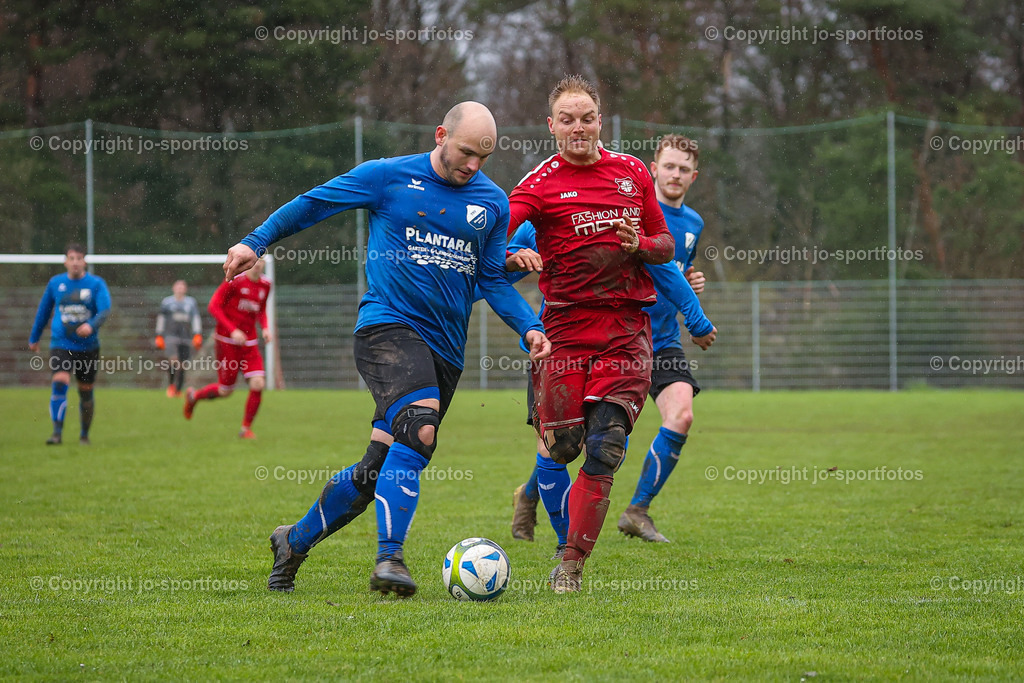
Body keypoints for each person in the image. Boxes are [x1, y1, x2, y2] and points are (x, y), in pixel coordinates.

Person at [219, 101, 550, 598]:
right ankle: (389, 559)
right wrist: (256, 242)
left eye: (484, 157)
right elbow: (314, 203)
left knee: (377, 468)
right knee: (420, 429)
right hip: (386, 331)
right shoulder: (387, 177)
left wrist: (528, 326)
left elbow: (491, 280)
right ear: (441, 134)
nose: (473, 166)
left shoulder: (493, 202)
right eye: (465, 152)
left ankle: (293, 541)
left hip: (445, 351)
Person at [505, 75, 716, 593]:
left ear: (600, 120)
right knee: (562, 447)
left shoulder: (630, 172)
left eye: (588, 117)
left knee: (605, 449)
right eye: (568, 119)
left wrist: (641, 244)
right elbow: (494, 247)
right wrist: (512, 256)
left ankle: (570, 564)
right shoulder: (537, 184)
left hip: (627, 331)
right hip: (564, 332)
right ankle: (539, 506)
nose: (579, 127)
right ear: (551, 126)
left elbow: (665, 247)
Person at [506, 214, 714, 555]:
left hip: (628, 342)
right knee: (556, 446)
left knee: (606, 444)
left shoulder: (642, 213)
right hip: (558, 344)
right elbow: (498, 269)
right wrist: (528, 320)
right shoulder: (548, 202)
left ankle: (589, 540)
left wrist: (696, 315)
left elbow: (666, 269)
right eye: (669, 166)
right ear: (655, 169)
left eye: (683, 169)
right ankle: (543, 512)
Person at [28, 243, 112, 445]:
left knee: (85, 391)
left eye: (79, 258)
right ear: (65, 261)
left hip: (88, 346)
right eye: (71, 258)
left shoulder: (96, 284)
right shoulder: (56, 283)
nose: (75, 262)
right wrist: (34, 336)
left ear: (85, 261)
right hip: (61, 343)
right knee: (60, 382)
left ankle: (84, 435)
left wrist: (91, 325)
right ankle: (56, 434)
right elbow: (44, 310)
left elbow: (105, 309)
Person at [183, 259, 271, 439]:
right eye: (255, 260)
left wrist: (266, 328)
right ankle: (194, 396)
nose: (258, 264)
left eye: (261, 260)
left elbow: (261, 310)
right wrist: (233, 330)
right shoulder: (235, 281)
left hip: (250, 343)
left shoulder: (265, 285)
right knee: (225, 391)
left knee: (258, 383)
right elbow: (213, 306)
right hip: (226, 343)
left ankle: (245, 429)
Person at [155, 279, 203, 397]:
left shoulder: (191, 303)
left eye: (182, 287)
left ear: (185, 289)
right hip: (171, 337)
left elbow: (196, 318)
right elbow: (161, 319)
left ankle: (178, 389)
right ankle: (171, 386)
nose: (180, 289)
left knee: (182, 365)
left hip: (185, 338)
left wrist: (197, 334)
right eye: (178, 287)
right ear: (174, 288)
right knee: (173, 360)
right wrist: (159, 335)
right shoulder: (167, 302)